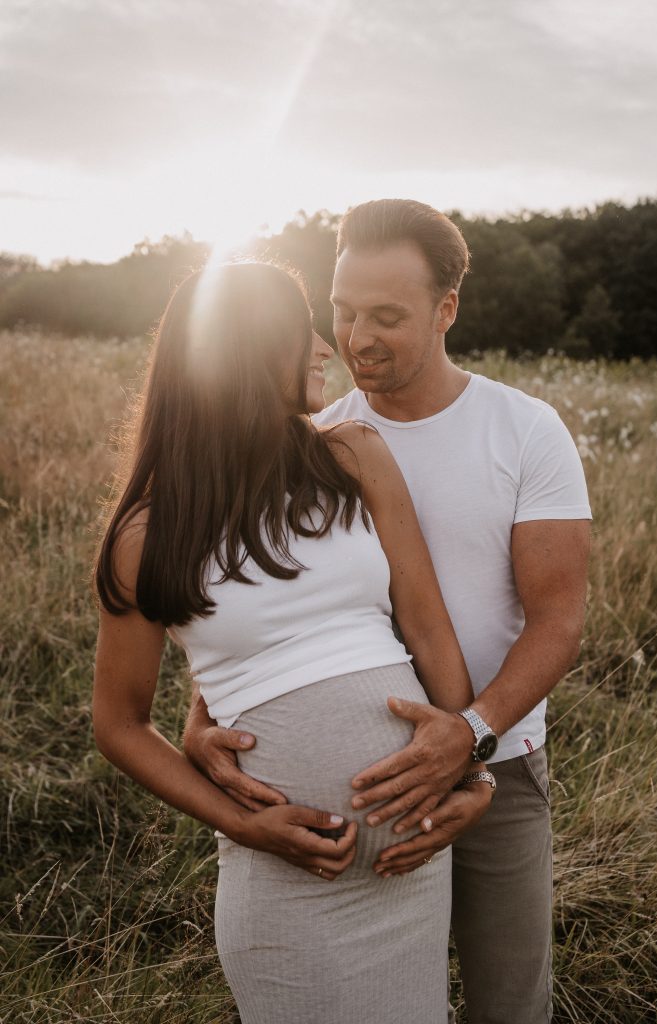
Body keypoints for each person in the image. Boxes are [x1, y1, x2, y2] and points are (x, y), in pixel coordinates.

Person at [183, 200, 592, 1024]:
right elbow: (257, 600)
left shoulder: (523, 432)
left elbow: (558, 618)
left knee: (510, 1005)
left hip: (497, 770)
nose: (356, 335)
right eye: (342, 310)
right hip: (356, 802)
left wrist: (470, 734)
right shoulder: (313, 438)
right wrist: (201, 716)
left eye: (387, 316)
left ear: (447, 310)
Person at [92, 259, 493, 1024]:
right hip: (286, 885)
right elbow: (118, 722)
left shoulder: (353, 457)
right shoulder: (147, 535)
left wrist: (471, 769)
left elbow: (427, 626)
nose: (324, 348)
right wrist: (241, 823)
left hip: (409, 868)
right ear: (240, 354)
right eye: (299, 329)